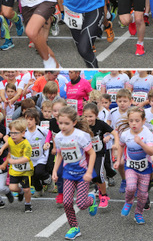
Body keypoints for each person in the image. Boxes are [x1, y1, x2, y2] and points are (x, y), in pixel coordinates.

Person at [52, 106, 98, 240]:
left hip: (83, 173)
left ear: (74, 122)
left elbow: (92, 153)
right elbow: (59, 155)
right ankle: (74, 227)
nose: (63, 126)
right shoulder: (59, 137)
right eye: (60, 123)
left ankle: (91, 199)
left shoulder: (80, 136)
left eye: (66, 123)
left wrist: (89, 172)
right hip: (68, 173)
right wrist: (55, 170)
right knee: (66, 202)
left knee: (81, 204)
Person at [116, 106, 153, 224]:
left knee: (143, 194)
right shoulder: (125, 134)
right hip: (131, 167)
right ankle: (128, 202)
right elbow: (121, 145)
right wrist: (118, 160)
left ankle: (138, 213)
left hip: (145, 168)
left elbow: (151, 152)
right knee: (131, 187)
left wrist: (141, 143)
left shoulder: (147, 133)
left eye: (137, 121)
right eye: (131, 121)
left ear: (143, 121)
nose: (134, 124)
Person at [83, 102, 119, 208]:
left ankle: (104, 195)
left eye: (90, 116)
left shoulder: (101, 124)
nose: (88, 119)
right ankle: (98, 187)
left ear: (96, 115)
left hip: (99, 153)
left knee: (99, 174)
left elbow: (114, 132)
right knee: (92, 176)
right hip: (87, 154)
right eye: (85, 116)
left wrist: (116, 143)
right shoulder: (81, 125)